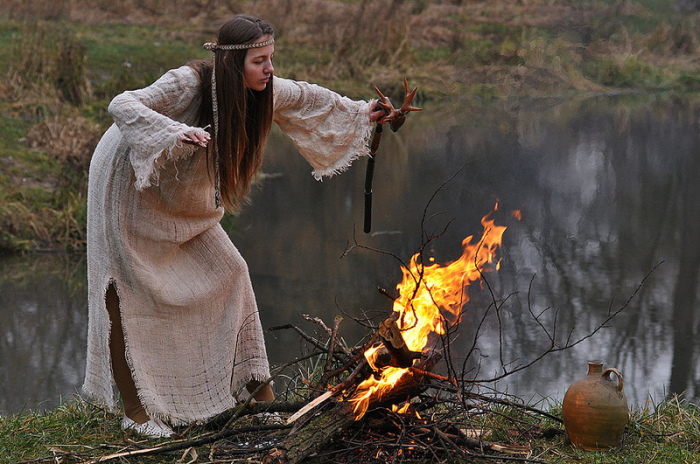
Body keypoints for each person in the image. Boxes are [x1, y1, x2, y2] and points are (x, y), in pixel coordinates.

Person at [82, 14, 387, 438]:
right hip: (127, 183)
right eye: (259, 61)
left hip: (180, 201)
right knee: (125, 290)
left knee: (232, 272)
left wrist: (364, 113)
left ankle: (259, 398)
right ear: (231, 64)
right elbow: (122, 104)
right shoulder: (189, 84)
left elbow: (306, 98)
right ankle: (135, 413)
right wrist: (173, 130)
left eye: (271, 58)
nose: (270, 69)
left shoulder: (260, 91)